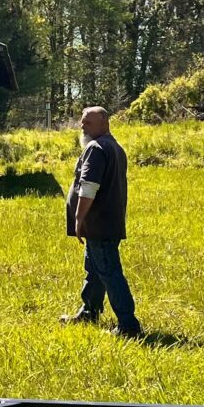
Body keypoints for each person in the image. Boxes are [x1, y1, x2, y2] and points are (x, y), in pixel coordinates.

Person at [61, 106, 141, 339]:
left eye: (88, 122)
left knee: (109, 272)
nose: (82, 126)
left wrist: (79, 218)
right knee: (94, 271)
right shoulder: (115, 147)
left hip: (99, 223)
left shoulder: (96, 148)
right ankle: (89, 311)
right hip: (108, 222)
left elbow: (89, 187)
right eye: (82, 122)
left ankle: (129, 326)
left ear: (104, 122)